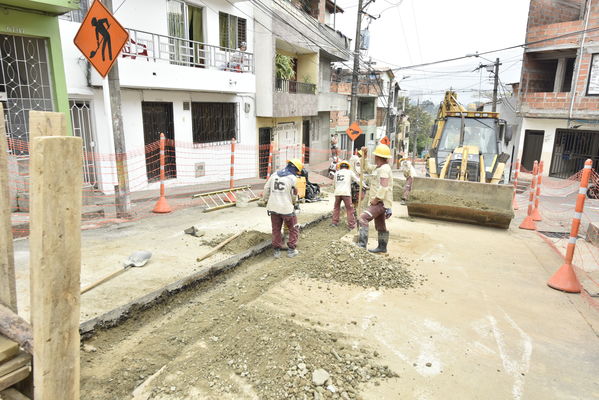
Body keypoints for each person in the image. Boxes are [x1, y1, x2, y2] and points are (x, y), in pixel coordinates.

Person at [262, 159, 303, 258]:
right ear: (296, 169)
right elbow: (294, 194)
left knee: (276, 229)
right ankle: (291, 250)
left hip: (273, 207)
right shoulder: (292, 178)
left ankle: (277, 251)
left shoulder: (274, 174)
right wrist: (293, 202)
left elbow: (266, 189)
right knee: (293, 228)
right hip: (286, 208)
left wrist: (266, 200)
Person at [357, 144, 394, 253]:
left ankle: (362, 245)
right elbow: (366, 167)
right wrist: (364, 156)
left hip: (379, 203)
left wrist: (376, 199)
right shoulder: (379, 168)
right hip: (381, 203)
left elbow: (384, 186)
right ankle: (382, 247)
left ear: (377, 156)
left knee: (363, 218)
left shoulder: (384, 169)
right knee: (380, 225)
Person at [331, 161, 359, 229]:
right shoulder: (349, 172)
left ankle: (334, 222)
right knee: (349, 209)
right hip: (346, 193)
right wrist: (364, 186)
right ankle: (351, 225)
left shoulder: (336, 173)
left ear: (340, 167)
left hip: (337, 193)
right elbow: (357, 180)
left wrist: (335, 191)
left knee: (336, 208)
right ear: (347, 167)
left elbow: (333, 185)